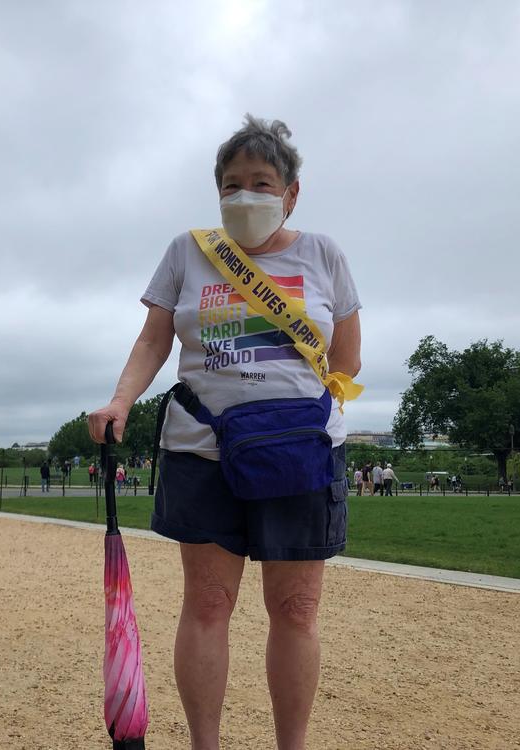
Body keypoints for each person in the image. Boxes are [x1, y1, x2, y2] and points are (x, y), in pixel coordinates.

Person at [87, 114, 362, 749]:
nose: (245, 195)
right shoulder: (188, 250)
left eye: (261, 182)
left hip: (300, 451)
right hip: (202, 445)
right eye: (231, 184)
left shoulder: (325, 255)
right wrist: (121, 401)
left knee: (296, 612)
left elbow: (346, 362)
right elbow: (154, 337)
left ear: (291, 192)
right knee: (208, 606)